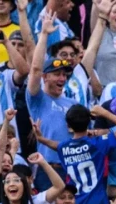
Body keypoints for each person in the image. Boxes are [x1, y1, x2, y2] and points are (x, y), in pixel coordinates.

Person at [55, 105, 116, 204]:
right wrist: (104, 113)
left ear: (68, 125)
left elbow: (57, 145)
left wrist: (41, 139)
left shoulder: (62, 148)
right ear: (89, 122)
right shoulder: (98, 143)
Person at [27, 12, 76, 187]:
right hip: (47, 169)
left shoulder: (74, 105)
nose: (62, 78)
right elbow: (35, 68)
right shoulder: (37, 99)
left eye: (64, 75)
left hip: (72, 168)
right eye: (56, 74)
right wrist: (44, 35)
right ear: (45, 77)